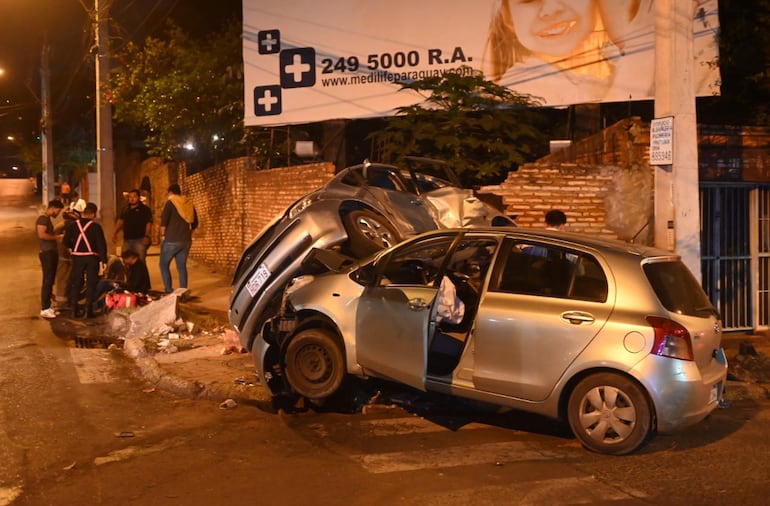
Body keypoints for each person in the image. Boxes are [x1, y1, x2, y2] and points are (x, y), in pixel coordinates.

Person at [483, 0, 616, 104]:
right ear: (509, 18)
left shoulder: (618, 64)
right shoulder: (522, 88)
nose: (551, 10)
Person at [64, 202, 108, 318]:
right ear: (93, 214)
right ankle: (88, 311)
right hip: (91, 258)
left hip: (77, 257)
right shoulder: (96, 227)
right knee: (91, 283)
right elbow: (101, 245)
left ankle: (73, 310)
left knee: (77, 282)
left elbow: (65, 241)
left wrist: (74, 247)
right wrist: (104, 261)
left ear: (83, 213)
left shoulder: (72, 225)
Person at [159, 183, 198, 293]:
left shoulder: (170, 202)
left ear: (170, 192)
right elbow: (195, 223)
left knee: (163, 265)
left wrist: (163, 237)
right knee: (181, 267)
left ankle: (168, 289)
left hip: (171, 240)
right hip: (186, 240)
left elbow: (164, 223)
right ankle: (182, 291)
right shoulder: (188, 204)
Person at [36, 200, 65, 318]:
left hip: (51, 253)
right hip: (47, 253)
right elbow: (42, 234)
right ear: (53, 208)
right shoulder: (42, 219)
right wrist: (57, 237)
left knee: (50, 280)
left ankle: (48, 306)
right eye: (58, 210)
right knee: (47, 280)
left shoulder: (46, 219)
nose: (58, 213)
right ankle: (45, 307)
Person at [113, 189, 153, 260]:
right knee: (126, 260)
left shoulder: (145, 209)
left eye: (134, 197)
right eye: (130, 197)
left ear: (138, 197)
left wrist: (147, 236)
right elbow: (121, 221)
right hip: (127, 240)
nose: (132, 199)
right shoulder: (125, 209)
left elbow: (148, 223)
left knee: (140, 261)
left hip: (140, 240)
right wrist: (115, 233)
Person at [53, 209, 80, 310]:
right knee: (63, 280)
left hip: (64, 257)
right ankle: (61, 304)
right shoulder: (63, 228)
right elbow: (64, 244)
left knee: (65, 280)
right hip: (63, 258)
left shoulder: (62, 226)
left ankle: (64, 302)